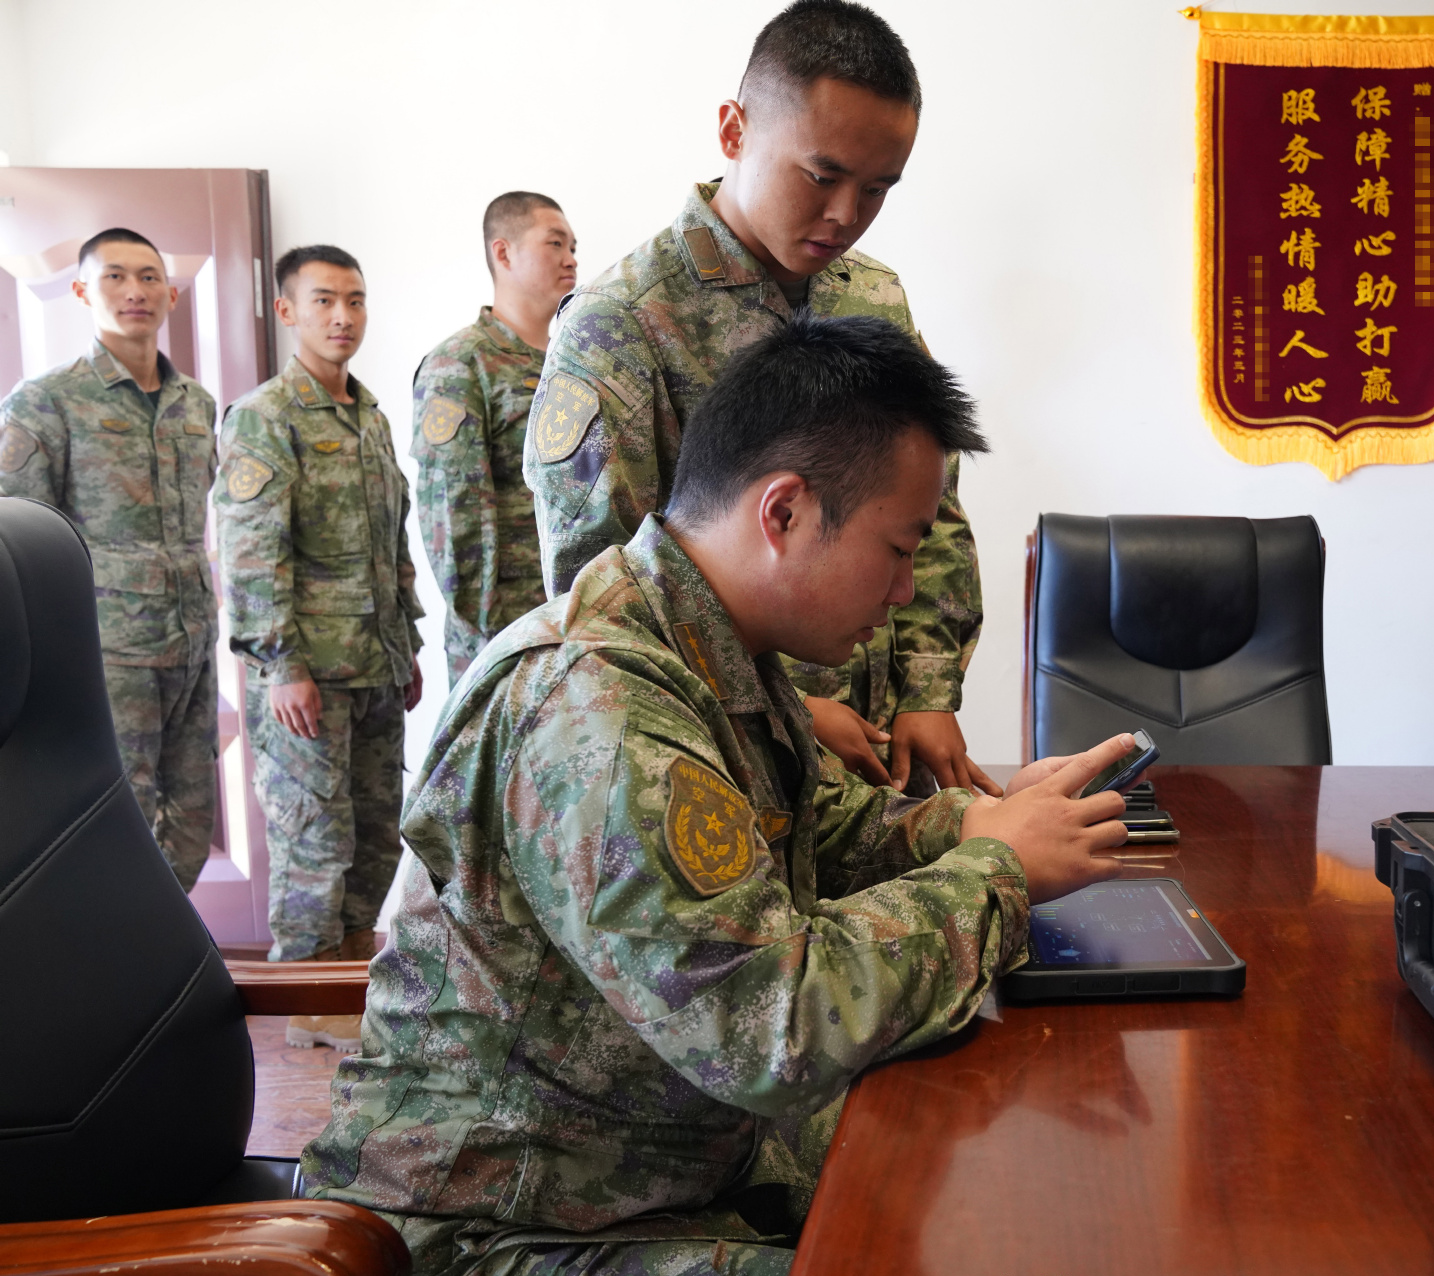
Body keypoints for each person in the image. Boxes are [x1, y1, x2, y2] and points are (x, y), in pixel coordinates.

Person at [304, 314, 1133, 1276]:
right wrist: (997, 869)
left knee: (983, 1195)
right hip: (494, 1242)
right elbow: (774, 1027)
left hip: (658, 1164)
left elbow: (823, 831)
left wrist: (979, 821)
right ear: (784, 510)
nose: (906, 589)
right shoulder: (596, 705)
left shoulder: (703, 645)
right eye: (897, 548)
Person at [523, 0, 995, 798]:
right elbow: (599, 602)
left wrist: (927, 689)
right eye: (822, 176)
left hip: (881, 749)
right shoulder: (619, 325)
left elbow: (928, 509)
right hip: (717, 755)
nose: (845, 215)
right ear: (734, 130)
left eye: (877, 188)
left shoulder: (873, 295)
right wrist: (792, 711)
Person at [213, 244, 423, 1052]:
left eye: (356, 301)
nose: (344, 317)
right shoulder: (265, 416)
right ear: (287, 310)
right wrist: (282, 666)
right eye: (325, 300)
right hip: (307, 679)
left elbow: (392, 544)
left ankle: (348, 993)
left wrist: (406, 643)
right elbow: (251, 551)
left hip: (374, 668)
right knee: (314, 845)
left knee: (374, 841)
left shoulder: (369, 415)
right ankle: (304, 1009)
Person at [0, 228, 218, 891]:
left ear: (171, 294)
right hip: (106, 653)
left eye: (149, 277)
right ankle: (118, 949)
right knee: (116, 822)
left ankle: (171, 941)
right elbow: (18, 542)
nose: (135, 291)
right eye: (115, 277)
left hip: (192, 646)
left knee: (192, 821)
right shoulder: (47, 402)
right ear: (80, 292)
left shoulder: (196, 404)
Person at [412, 192, 577, 684]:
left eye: (573, 247)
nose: (571, 259)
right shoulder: (460, 364)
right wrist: (493, 635)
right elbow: (454, 516)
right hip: (506, 634)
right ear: (503, 253)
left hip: (576, 619)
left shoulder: (574, 358)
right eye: (555, 243)